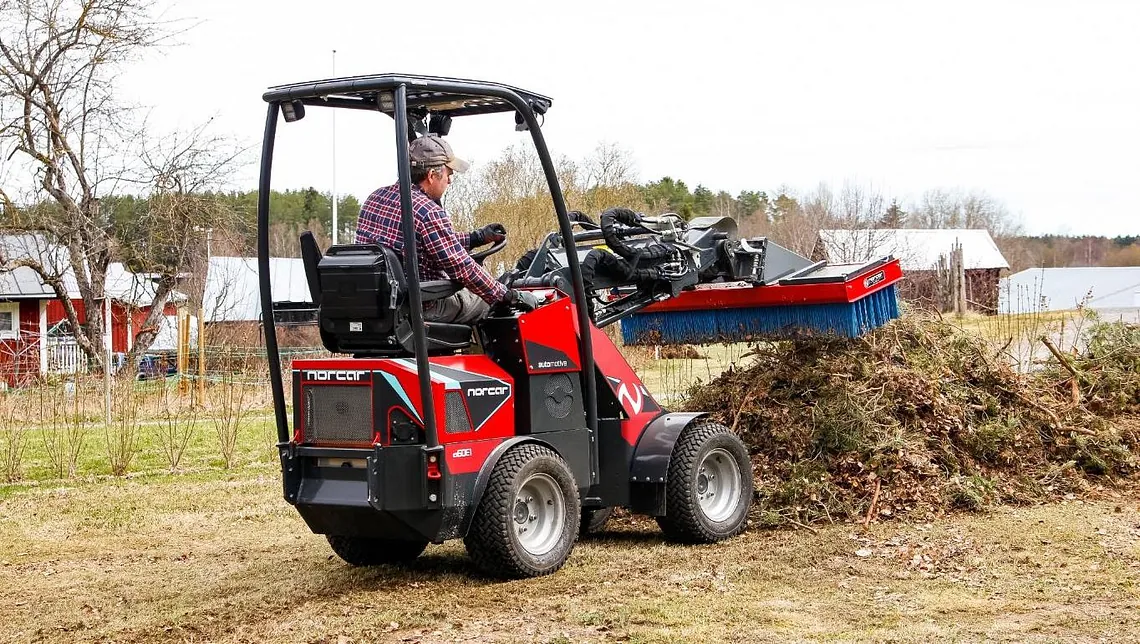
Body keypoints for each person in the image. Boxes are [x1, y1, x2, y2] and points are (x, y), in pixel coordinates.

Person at [354, 134, 539, 324]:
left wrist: (476, 238)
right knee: (487, 303)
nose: (450, 181)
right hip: (421, 307)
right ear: (432, 176)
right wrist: (508, 295)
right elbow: (462, 267)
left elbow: (424, 243)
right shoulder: (427, 211)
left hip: (380, 304)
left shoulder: (375, 199)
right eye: (448, 174)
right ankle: (497, 354)